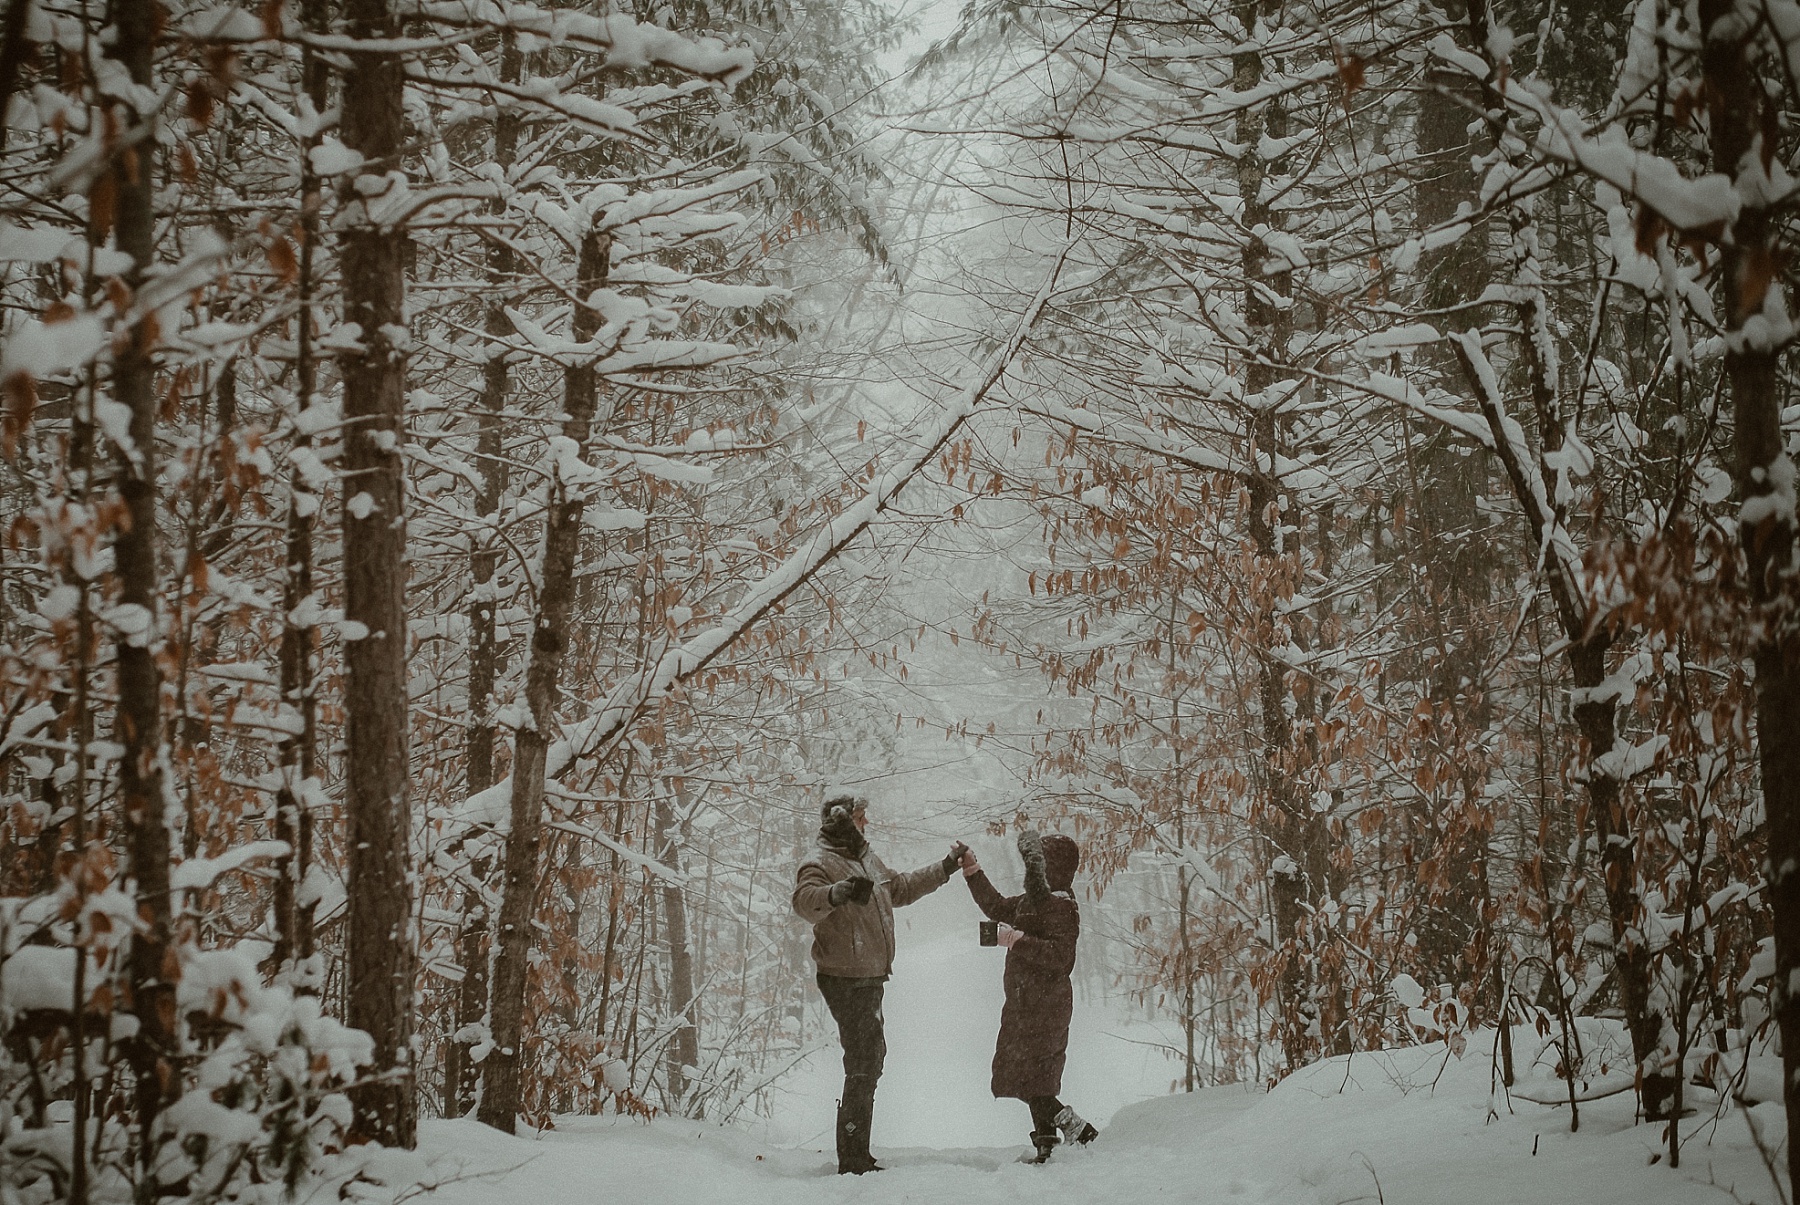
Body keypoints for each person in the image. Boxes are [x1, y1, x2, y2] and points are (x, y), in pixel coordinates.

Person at [792, 793, 966, 1174]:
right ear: (842, 821)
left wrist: (946, 867)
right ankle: (853, 1157)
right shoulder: (819, 862)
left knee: (870, 1057)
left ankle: (857, 1152)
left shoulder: (865, 859)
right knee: (864, 1058)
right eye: (859, 817)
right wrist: (835, 894)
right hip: (843, 977)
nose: (865, 823)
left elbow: (898, 888)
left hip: (868, 976)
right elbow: (805, 902)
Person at [961, 829, 1100, 1162]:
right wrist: (972, 870)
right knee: (1030, 1076)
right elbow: (995, 905)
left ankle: (1079, 1130)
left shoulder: (1062, 905)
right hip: (1025, 1002)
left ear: (1052, 867)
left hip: (1046, 1005)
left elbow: (1060, 957)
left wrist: (1014, 939)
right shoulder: (1033, 900)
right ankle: (1046, 1144)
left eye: (1038, 862)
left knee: (1033, 1080)